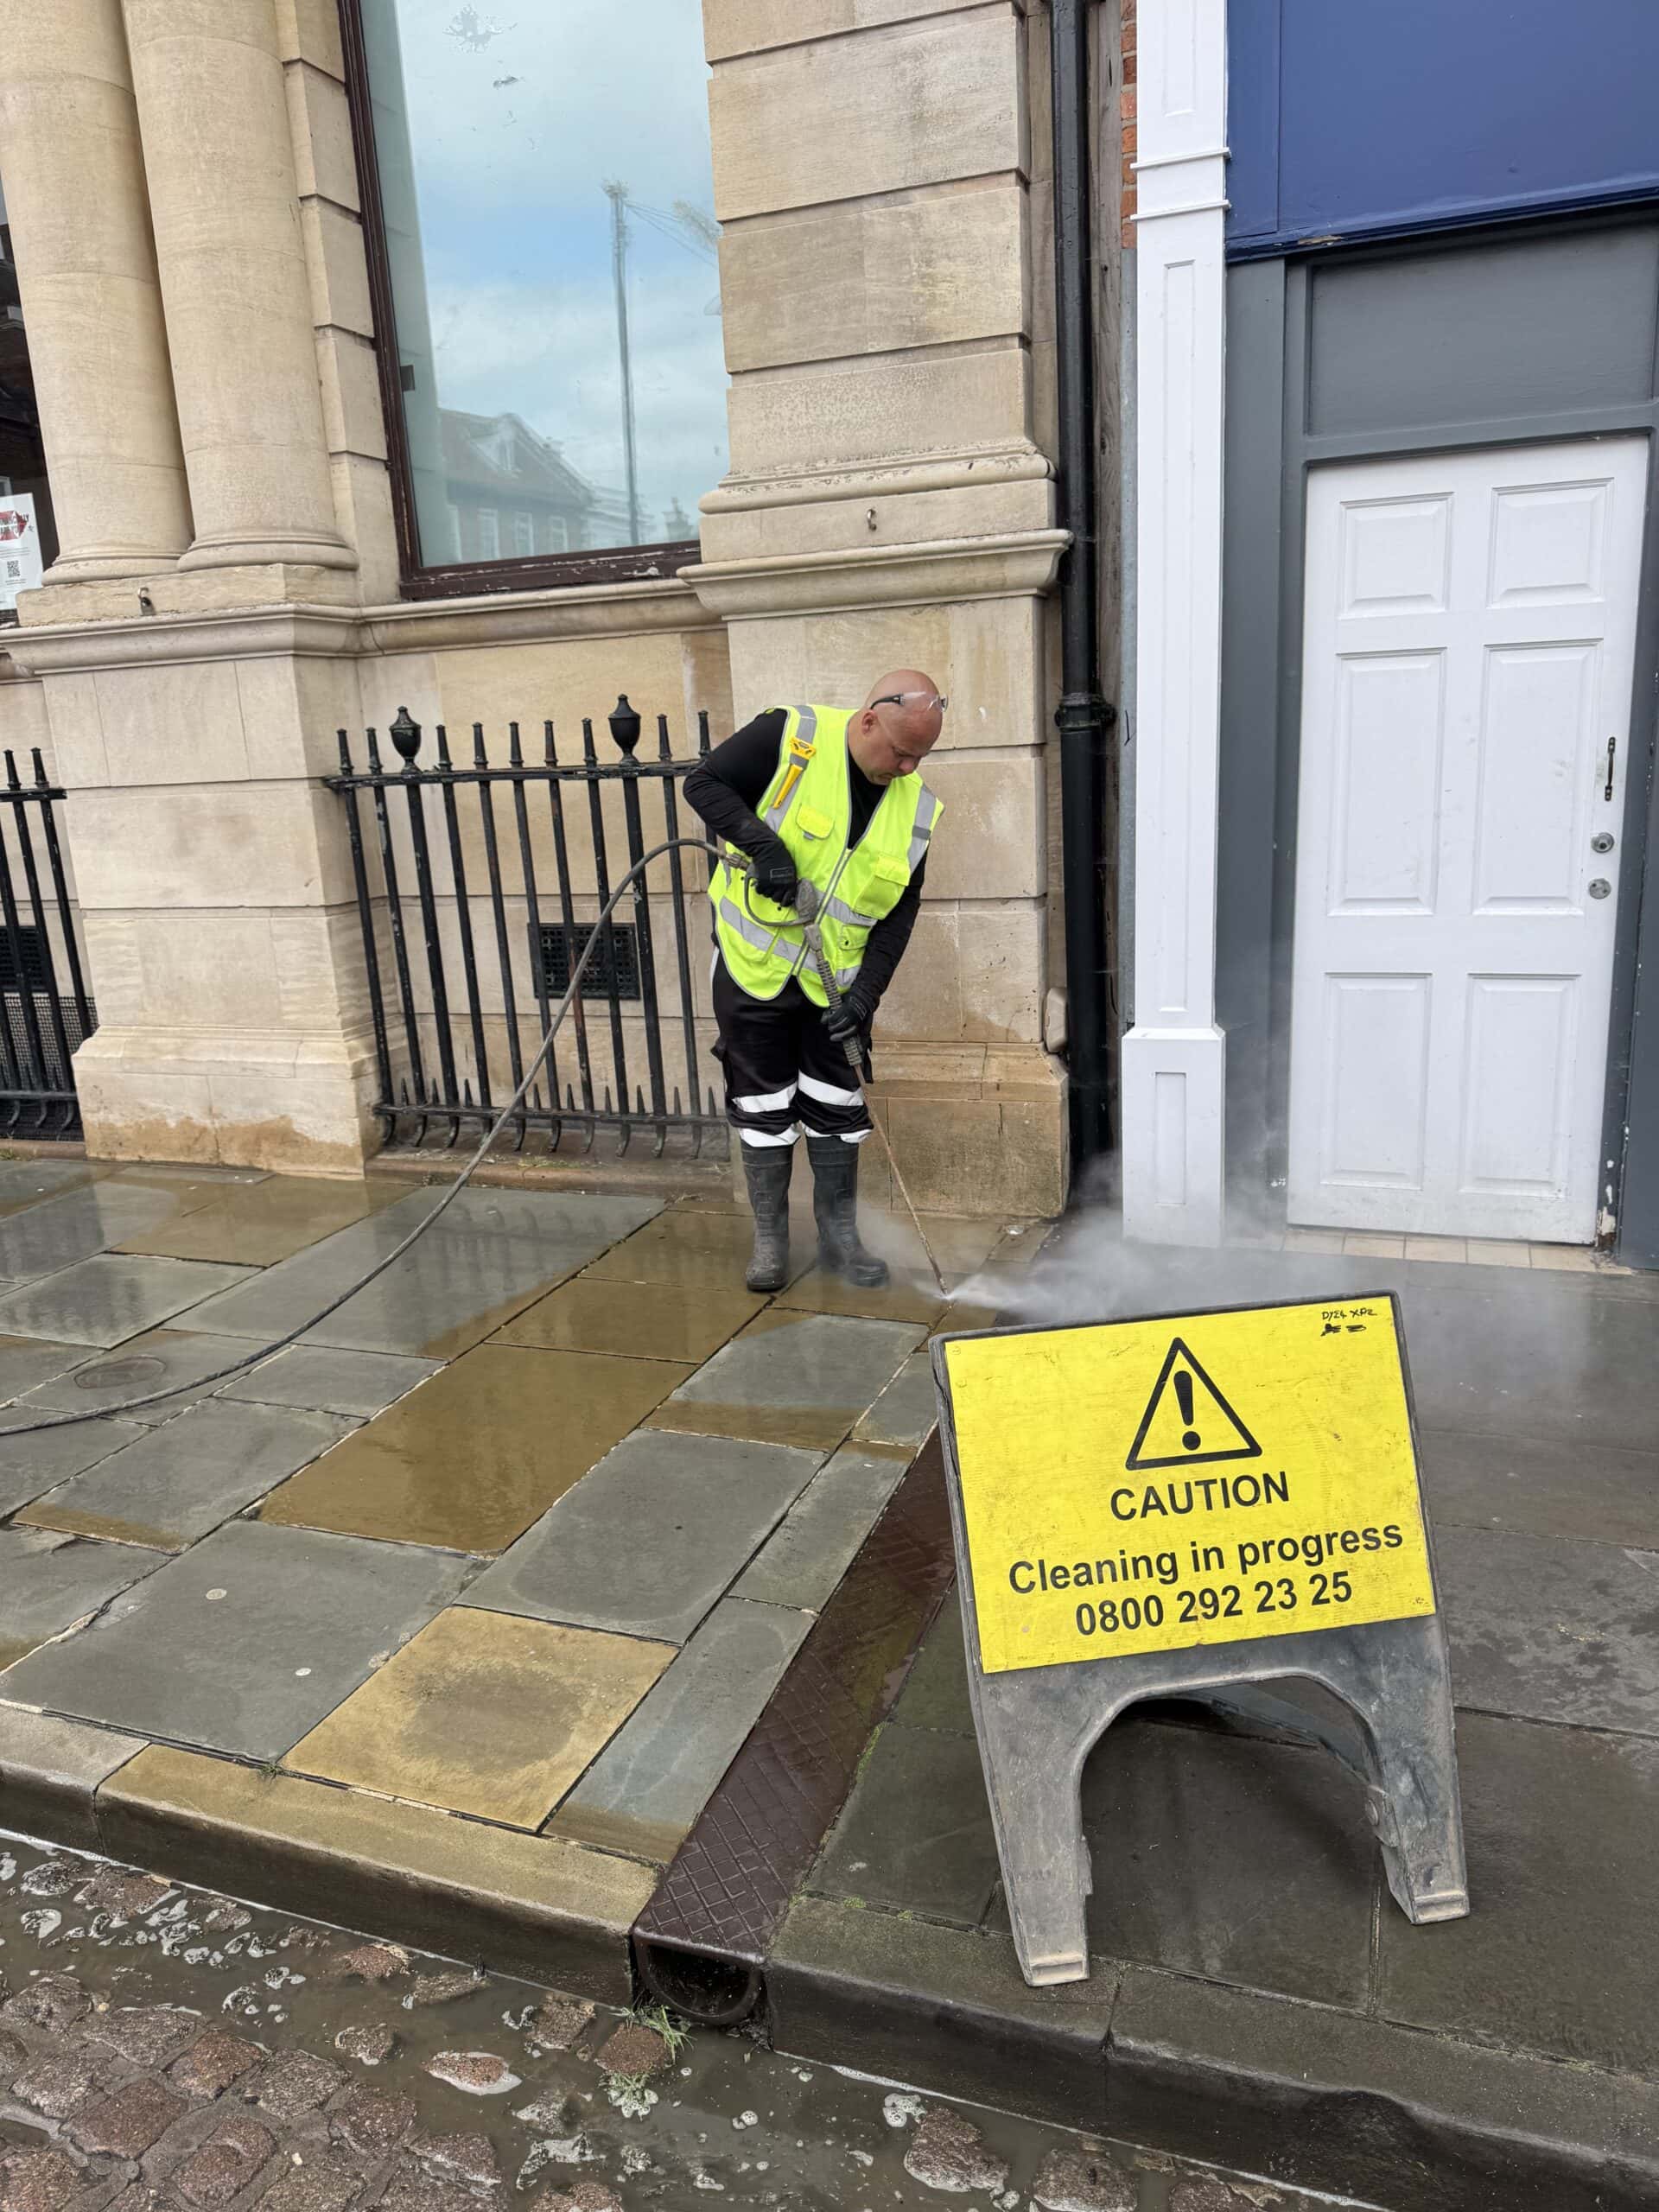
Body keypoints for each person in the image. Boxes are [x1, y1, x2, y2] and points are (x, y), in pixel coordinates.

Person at [684, 673, 946, 1293]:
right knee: (763, 1105)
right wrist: (764, 847)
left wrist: (866, 995)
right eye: (900, 752)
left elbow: (898, 913)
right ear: (868, 720)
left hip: (837, 988)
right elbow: (704, 784)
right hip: (755, 970)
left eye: (920, 756)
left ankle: (840, 1238)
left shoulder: (917, 810)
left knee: (837, 1105)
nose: (908, 768)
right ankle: (771, 1241)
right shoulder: (792, 735)